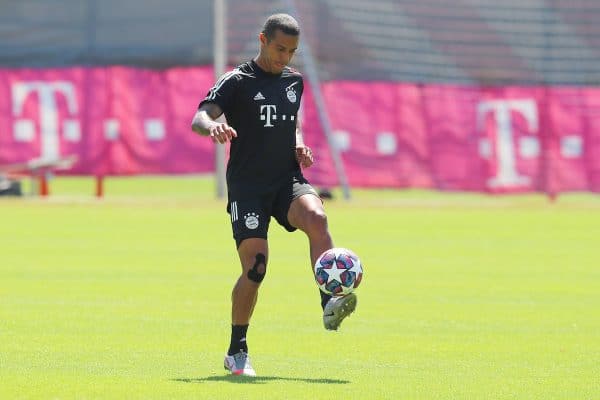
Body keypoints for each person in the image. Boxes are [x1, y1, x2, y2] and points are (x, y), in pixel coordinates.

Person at [191, 13, 357, 377]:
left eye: (292, 51)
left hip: (286, 178)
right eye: (280, 48)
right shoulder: (237, 81)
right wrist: (213, 126)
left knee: (317, 217)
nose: (285, 57)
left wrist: (299, 144)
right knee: (256, 268)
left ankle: (329, 299)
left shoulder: (294, 82)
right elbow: (199, 116)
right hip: (248, 186)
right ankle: (237, 350)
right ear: (262, 40)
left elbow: (292, 119)